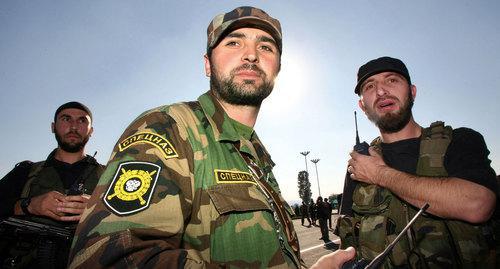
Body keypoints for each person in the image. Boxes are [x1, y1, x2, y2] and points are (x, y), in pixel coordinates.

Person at [68, 6, 351, 268]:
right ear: (207, 64)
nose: (251, 55)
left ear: (277, 70)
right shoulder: (168, 128)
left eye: (265, 47)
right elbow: (108, 256)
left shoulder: (255, 154)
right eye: (233, 43)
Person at [339, 56, 498, 268]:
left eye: (392, 80)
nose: (380, 91)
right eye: (370, 86)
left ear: (412, 92)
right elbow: (348, 242)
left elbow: (478, 204)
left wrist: (380, 174)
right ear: (363, 106)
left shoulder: (459, 141)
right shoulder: (360, 164)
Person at [0, 101, 105, 268]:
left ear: (91, 131)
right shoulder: (26, 172)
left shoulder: (110, 177)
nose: (73, 126)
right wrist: (29, 205)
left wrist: (99, 208)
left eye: (82, 120)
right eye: (66, 119)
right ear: (53, 127)